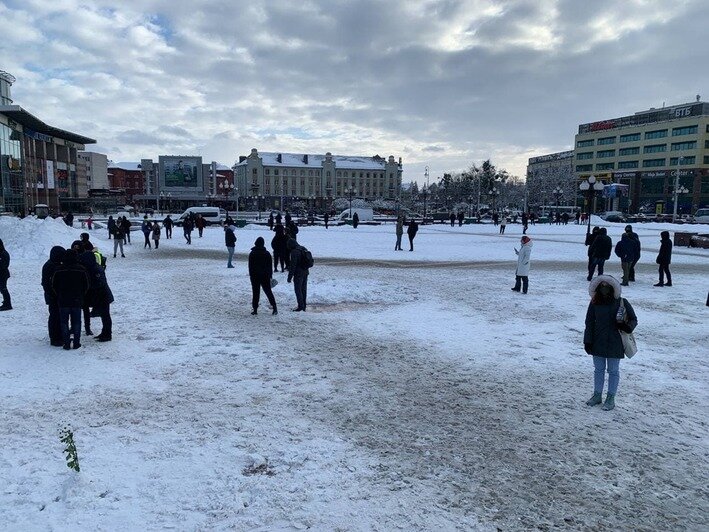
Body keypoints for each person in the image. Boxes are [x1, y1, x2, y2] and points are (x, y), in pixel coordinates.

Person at [584, 275, 638, 411]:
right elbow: (589, 322)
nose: (604, 289)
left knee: (613, 371)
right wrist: (588, 341)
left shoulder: (622, 302)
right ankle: (597, 395)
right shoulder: (594, 303)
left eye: (607, 287)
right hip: (598, 341)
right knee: (598, 370)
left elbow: (633, 319)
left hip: (615, 342)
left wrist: (627, 327)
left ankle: (611, 397)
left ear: (613, 288)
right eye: (601, 287)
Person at [52, 249, 89, 349]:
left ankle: (66, 343)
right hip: (77, 299)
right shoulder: (81, 269)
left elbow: (54, 285)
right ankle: (76, 343)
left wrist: (59, 294)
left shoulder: (58, 269)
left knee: (64, 322)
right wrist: (81, 295)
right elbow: (86, 285)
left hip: (63, 299)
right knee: (76, 322)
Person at [79, 250, 114, 341]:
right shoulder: (92, 267)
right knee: (104, 315)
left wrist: (88, 286)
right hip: (100, 296)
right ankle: (104, 333)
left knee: (105, 315)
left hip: (103, 295)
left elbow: (100, 283)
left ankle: (107, 334)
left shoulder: (96, 269)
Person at [42, 246, 65, 345]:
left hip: (55, 295)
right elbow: (46, 283)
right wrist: (53, 294)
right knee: (54, 316)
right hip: (53, 296)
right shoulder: (50, 266)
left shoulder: (52, 264)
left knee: (58, 316)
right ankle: (55, 338)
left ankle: (59, 335)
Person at [248, 237, 278, 315]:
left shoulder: (252, 253)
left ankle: (255, 309)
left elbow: (250, 266)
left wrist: (251, 275)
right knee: (268, 292)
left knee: (255, 293)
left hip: (255, 276)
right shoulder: (267, 253)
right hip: (265, 276)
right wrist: (270, 276)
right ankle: (274, 307)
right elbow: (269, 266)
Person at [287, 238, 309, 311]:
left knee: (298, 290)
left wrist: (289, 277)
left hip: (298, 274)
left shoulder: (294, 252)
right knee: (303, 289)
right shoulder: (303, 248)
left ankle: (300, 306)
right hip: (305, 272)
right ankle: (304, 305)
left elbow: (293, 266)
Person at [0, 239, 11, 311]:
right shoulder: (2, 253)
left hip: (3, 275)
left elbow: (3, 266)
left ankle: (8, 304)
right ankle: (6, 303)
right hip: (2, 274)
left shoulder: (3, 254)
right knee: (2, 289)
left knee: (3, 289)